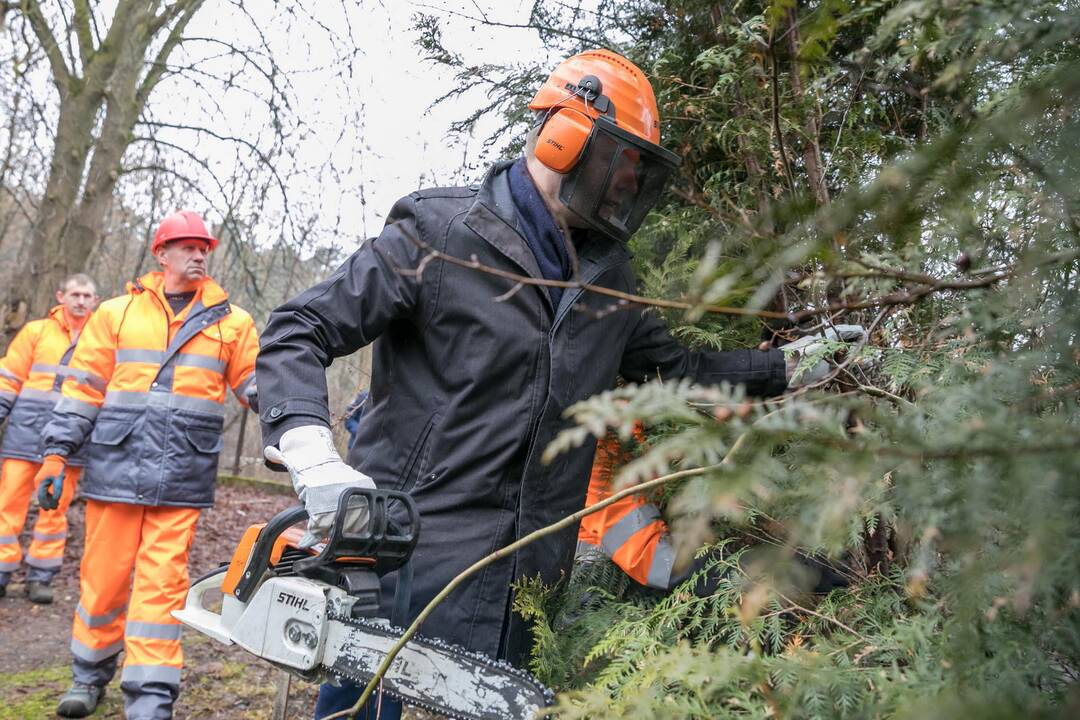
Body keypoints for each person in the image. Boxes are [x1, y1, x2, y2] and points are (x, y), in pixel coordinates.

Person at [255, 49, 858, 719]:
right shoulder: (439, 236)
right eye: (622, 165)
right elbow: (300, 328)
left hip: (522, 581)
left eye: (639, 173)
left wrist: (793, 367)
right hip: (400, 565)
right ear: (565, 138)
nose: (628, 186)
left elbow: (680, 376)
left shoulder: (610, 281)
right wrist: (313, 458)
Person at [38, 211, 260, 719]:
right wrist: (55, 455)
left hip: (181, 476)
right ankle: (87, 677)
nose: (199, 253)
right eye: (186, 246)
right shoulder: (115, 314)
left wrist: (282, 403)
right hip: (115, 470)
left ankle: (151, 695)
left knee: (161, 589)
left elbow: (252, 382)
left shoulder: (233, 321)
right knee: (103, 581)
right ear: (161, 254)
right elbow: (82, 390)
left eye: (204, 246)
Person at [0, 274, 98, 603]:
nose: (81, 300)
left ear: (95, 301)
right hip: (24, 435)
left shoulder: (99, 338)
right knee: (8, 505)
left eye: (87, 295)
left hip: (70, 443)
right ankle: (1, 570)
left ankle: (41, 578)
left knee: (53, 512)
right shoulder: (36, 332)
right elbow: (9, 377)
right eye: (75, 294)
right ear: (61, 296)